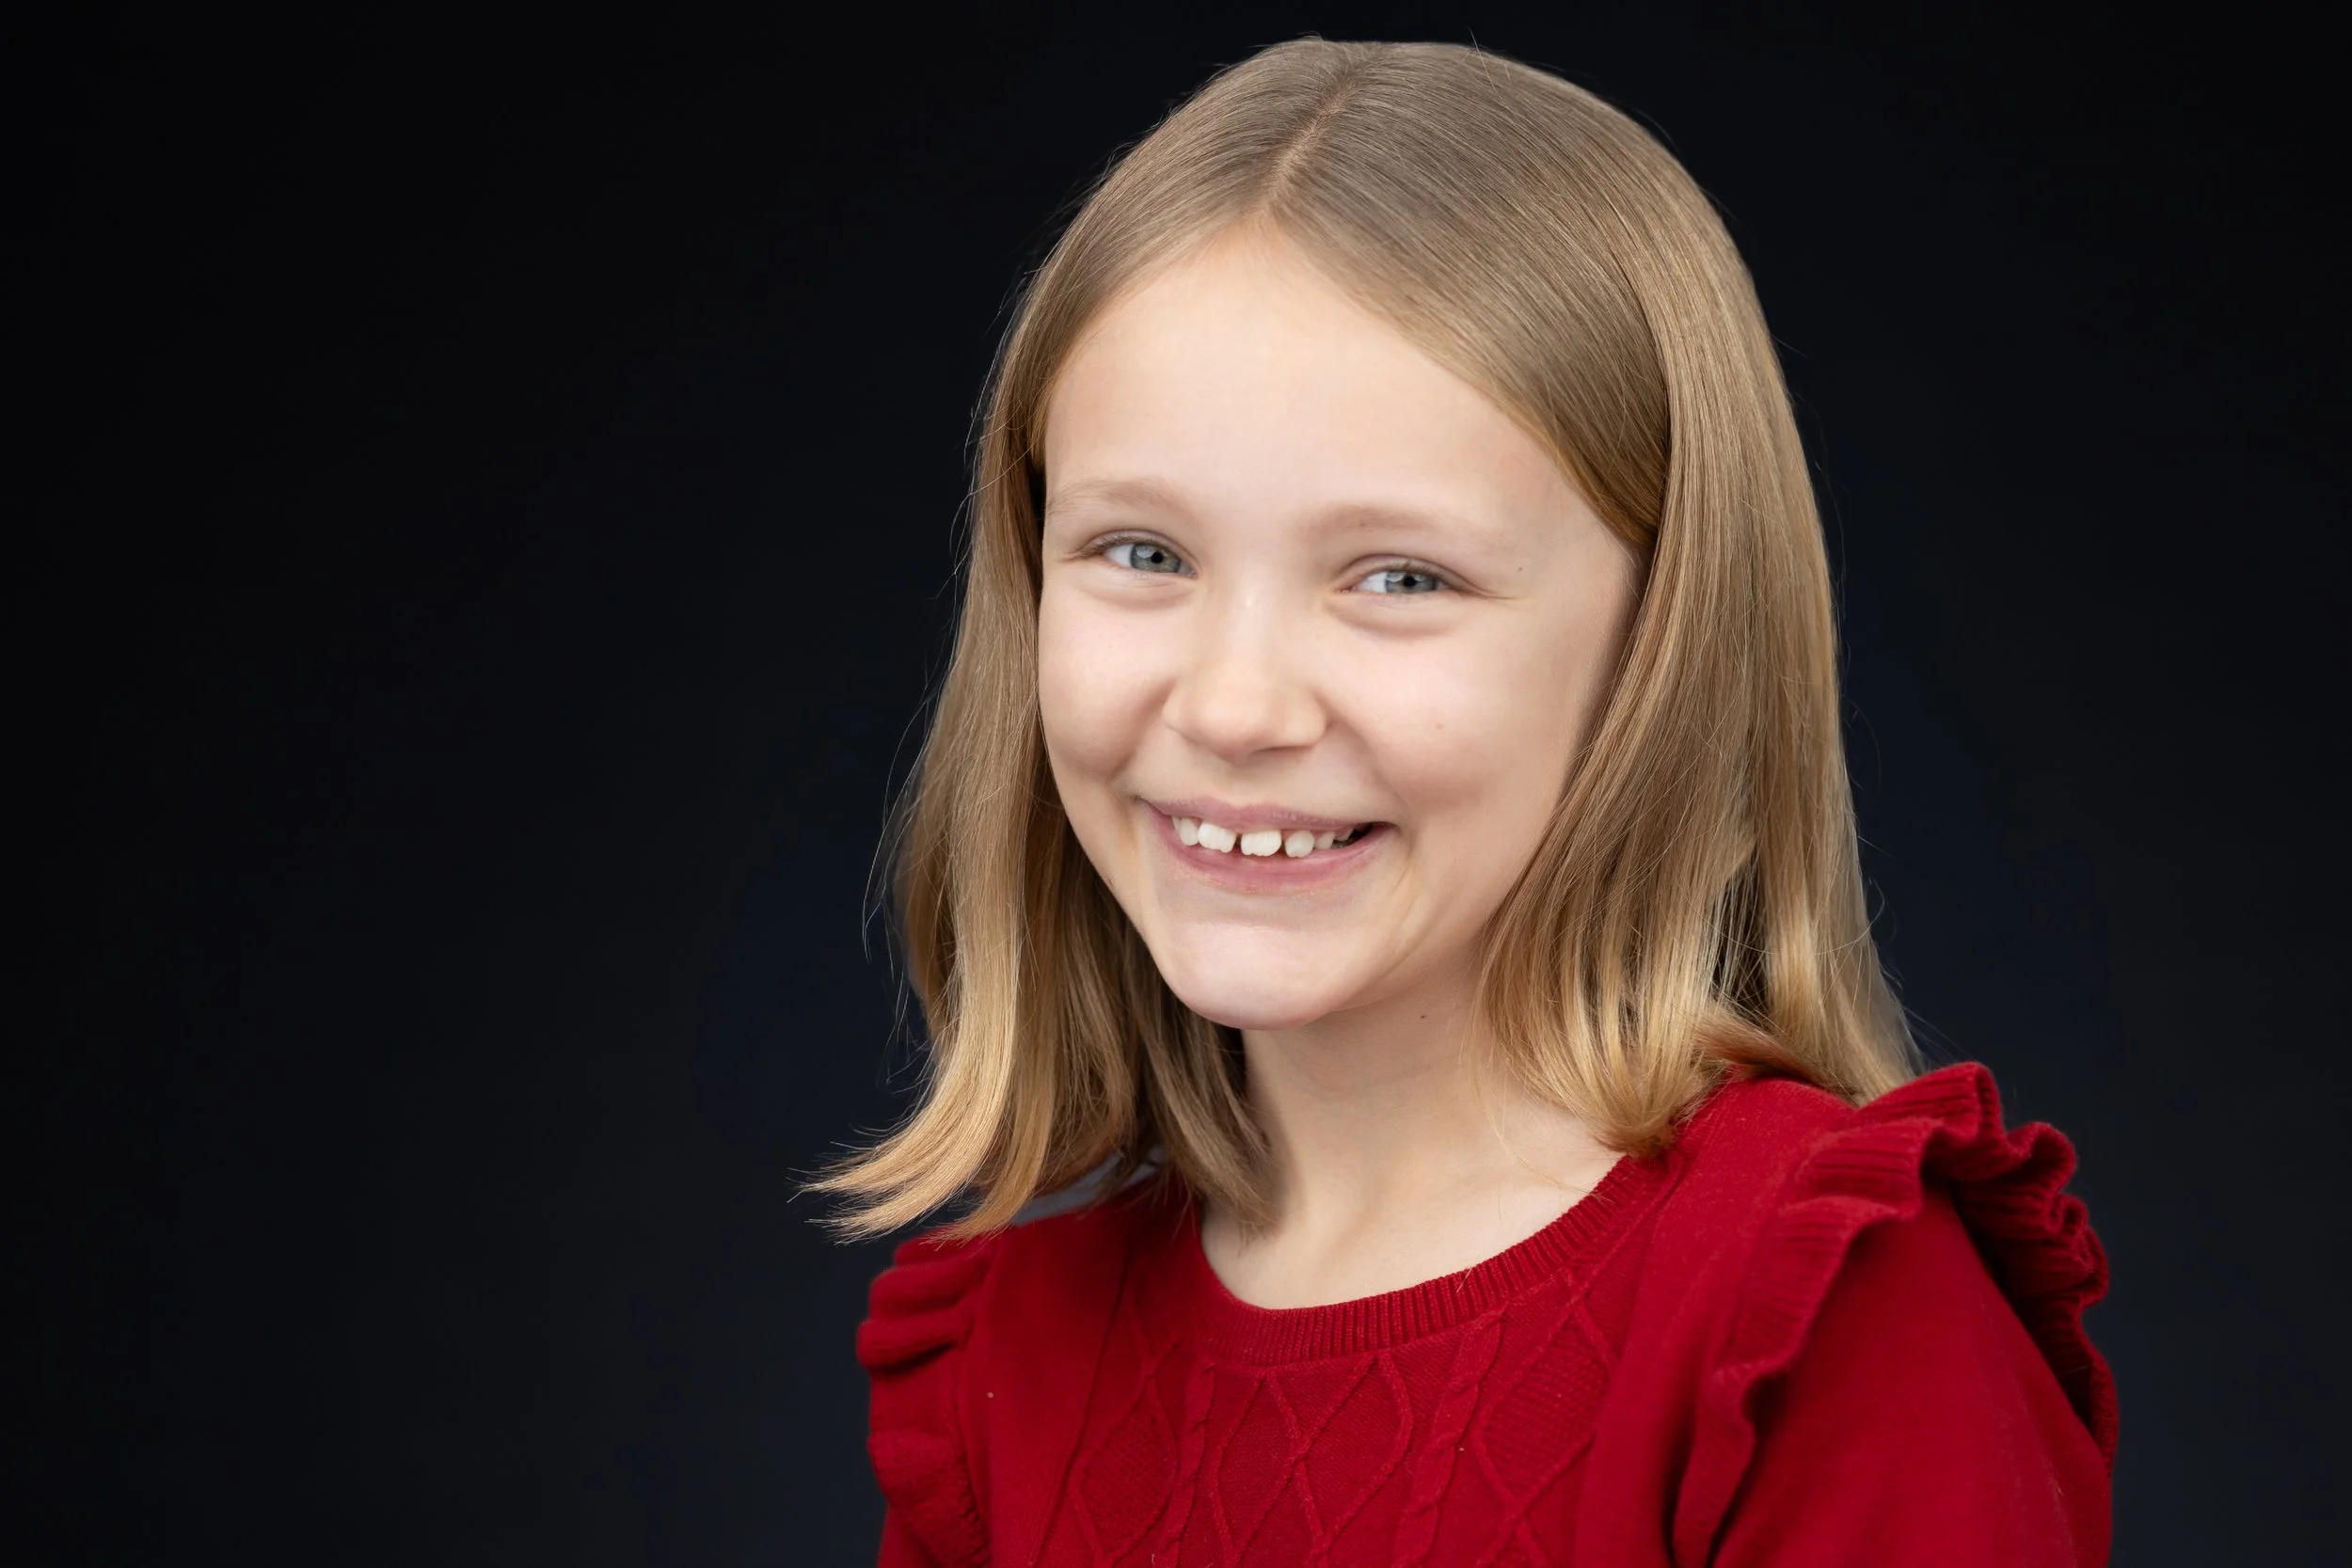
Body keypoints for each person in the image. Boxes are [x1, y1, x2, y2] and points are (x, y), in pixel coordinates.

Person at [805, 37, 2115, 1567]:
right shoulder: (1008, 1367)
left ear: (1661, 646)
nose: (1233, 706)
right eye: (1143, 552)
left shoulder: (1814, 1310)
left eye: (1400, 577)